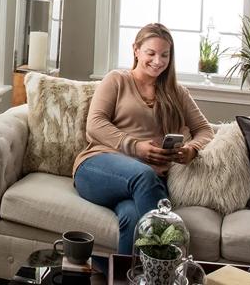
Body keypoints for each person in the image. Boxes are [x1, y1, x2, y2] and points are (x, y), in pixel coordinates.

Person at [73, 23, 214, 255]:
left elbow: (205, 130)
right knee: (144, 174)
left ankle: (124, 276)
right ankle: (170, 260)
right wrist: (136, 147)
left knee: (133, 217)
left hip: (144, 185)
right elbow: (95, 124)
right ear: (136, 50)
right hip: (97, 168)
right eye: (151, 53)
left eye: (164, 55)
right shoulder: (117, 80)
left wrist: (191, 149)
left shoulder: (178, 93)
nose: (158, 61)